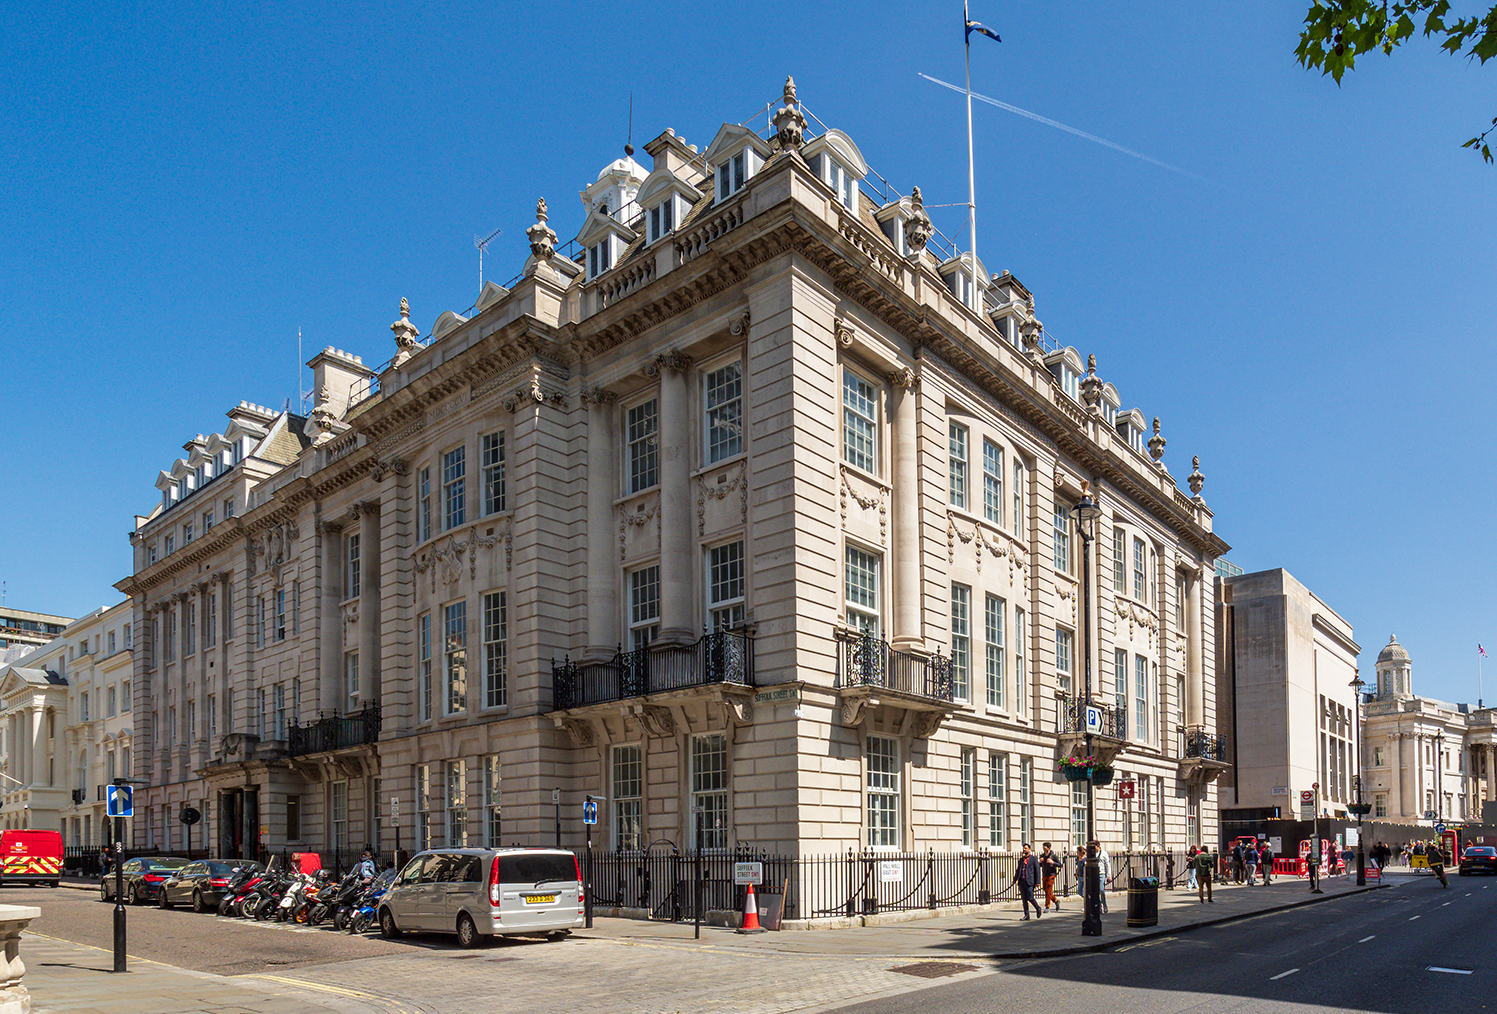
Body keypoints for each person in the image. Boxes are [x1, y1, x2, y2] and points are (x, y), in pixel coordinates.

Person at [1011, 843, 1042, 919]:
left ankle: (1038, 908)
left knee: (1030, 897)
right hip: (1022, 881)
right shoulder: (1021, 860)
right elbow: (1018, 870)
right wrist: (1014, 880)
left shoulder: (1033, 859)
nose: (1024, 849)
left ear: (1029, 849)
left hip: (1030, 881)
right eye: (1023, 848)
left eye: (1025, 848)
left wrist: (1038, 881)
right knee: (1024, 899)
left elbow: (1037, 870)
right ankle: (1027, 915)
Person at [1091, 841, 1112, 914]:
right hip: (1094, 874)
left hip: (1102, 874)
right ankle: (1099, 906)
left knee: (1101, 890)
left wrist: (1108, 875)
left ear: (1098, 846)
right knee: (1096, 892)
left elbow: (1107, 864)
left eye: (1094, 847)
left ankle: (1105, 905)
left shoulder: (1104, 853)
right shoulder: (1092, 854)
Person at [1038, 842, 1060, 910]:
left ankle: (1047, 906)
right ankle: (1056, 901)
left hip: (1051, 874)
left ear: (1049, 848)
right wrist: (1040, 862)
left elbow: (1060, 864)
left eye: (1045, 848)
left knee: (1048, 890)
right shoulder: (1042, 856)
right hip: (1045, 874)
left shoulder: (1053, 856)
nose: (1044, 849)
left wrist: (1052, 862)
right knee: (1046, 890)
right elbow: (1041, 866)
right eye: (1043, 848)